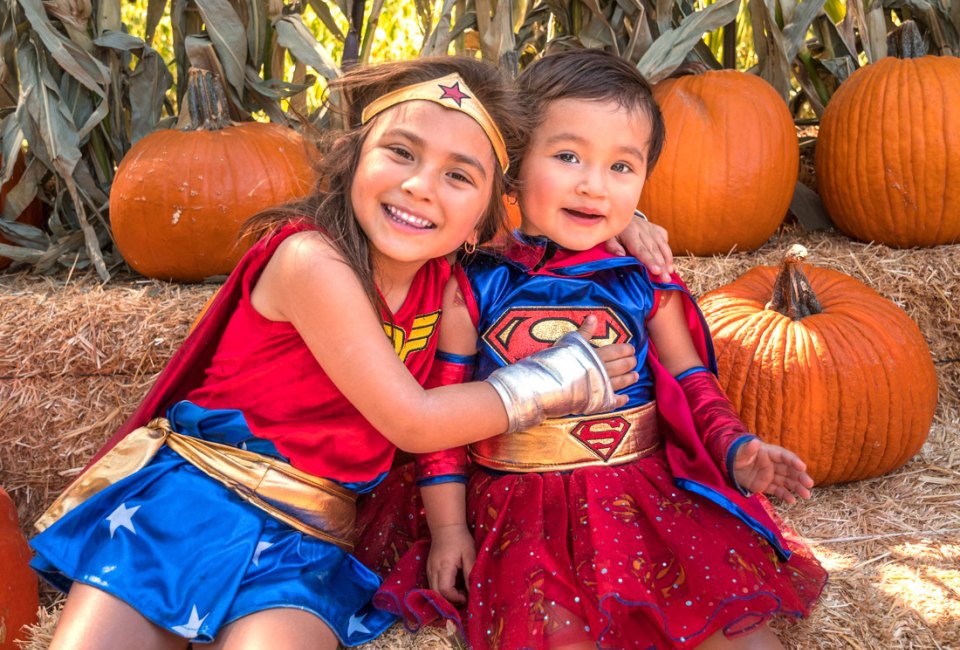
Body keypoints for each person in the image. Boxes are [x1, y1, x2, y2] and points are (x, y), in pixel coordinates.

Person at [27, 57, 660, 650]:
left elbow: (557, 212)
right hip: (192, 507)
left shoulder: (451, 263)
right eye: (401, 153)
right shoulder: (312, 261)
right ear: (350, 156)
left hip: (307, 542)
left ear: (484, 215)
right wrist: (557, 379)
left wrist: (620, 225)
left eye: (458, 175)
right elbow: (411, 420)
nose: (420, 186)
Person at [361, 49, 827, 649]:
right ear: (514, 165)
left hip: (644, 496)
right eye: (567, 156)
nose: (592, 184)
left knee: (738, 635)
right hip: (524, 508)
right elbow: (443, 414)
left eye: (621, 167)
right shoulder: (474, 283)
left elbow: (692, 381)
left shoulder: (643, 279)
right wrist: (449, 530)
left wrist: (736, 449)